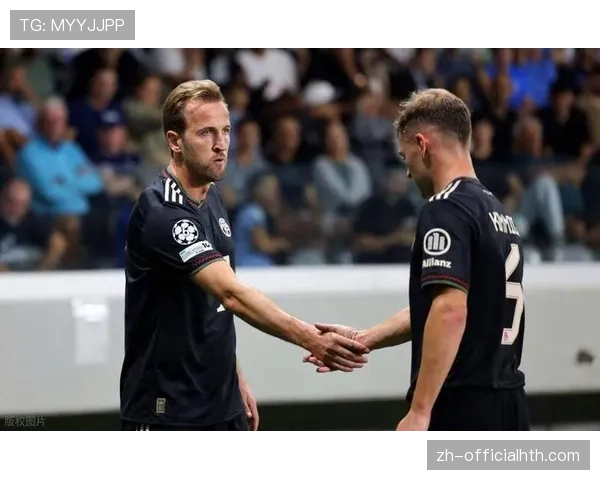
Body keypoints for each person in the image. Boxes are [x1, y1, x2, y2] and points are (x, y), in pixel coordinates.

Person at [119, 79, 369, 432]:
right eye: (206, 133)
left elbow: (215, 307)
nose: (221, 144)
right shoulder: (163, 212)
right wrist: (312, 338)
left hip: (221, 403)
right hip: (168, 411)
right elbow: (231, 294)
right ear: (175, 141)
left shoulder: (211, 196)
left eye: (225, 130)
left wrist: (235, 377)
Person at [304, 88, 529, 432]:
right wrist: (365, 338)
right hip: (509, 403)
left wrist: (421, 410)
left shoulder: (446, 208)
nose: (407, 172)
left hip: (463, 406)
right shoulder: (496, 211)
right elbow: (446, 305)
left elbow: (450, 311)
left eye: (404, 155)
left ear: (422, 145)